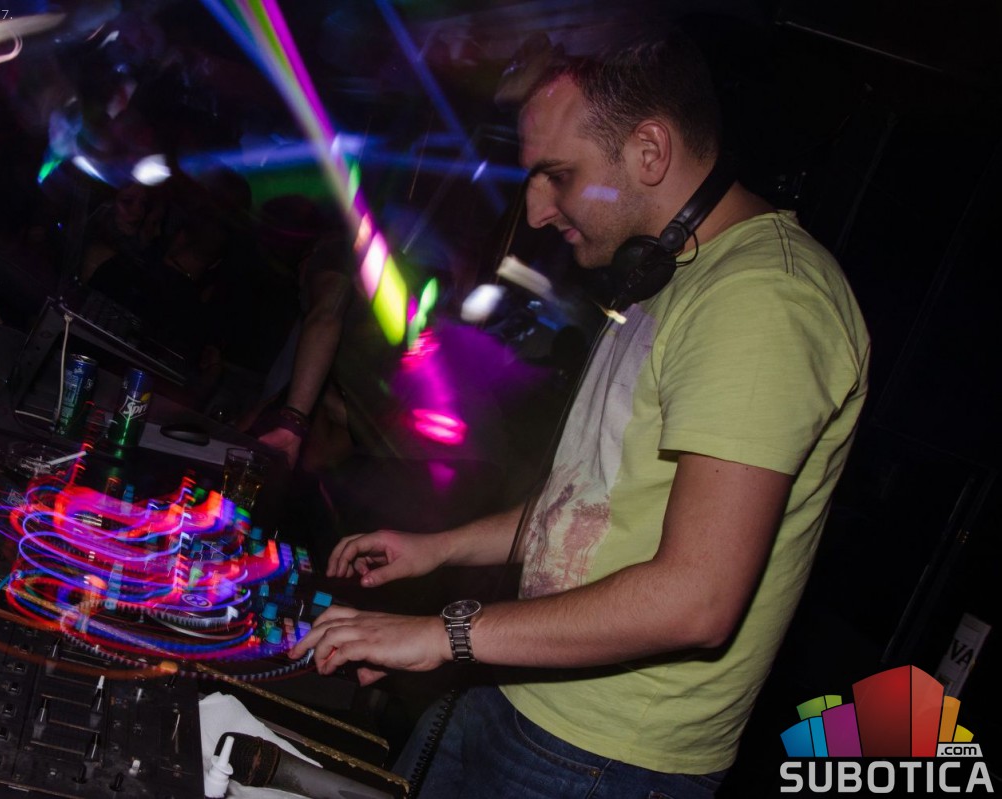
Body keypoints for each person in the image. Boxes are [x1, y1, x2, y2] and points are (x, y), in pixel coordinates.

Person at [288, 26, 870, 798]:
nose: (535, 211)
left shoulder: (764, 300)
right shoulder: (668, 275)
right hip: (521, 681)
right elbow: (590, 498)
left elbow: (698, 599)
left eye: (556, 175)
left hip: (602, 754)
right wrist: (441, 548)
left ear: (649, 151)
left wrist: (443, 633)